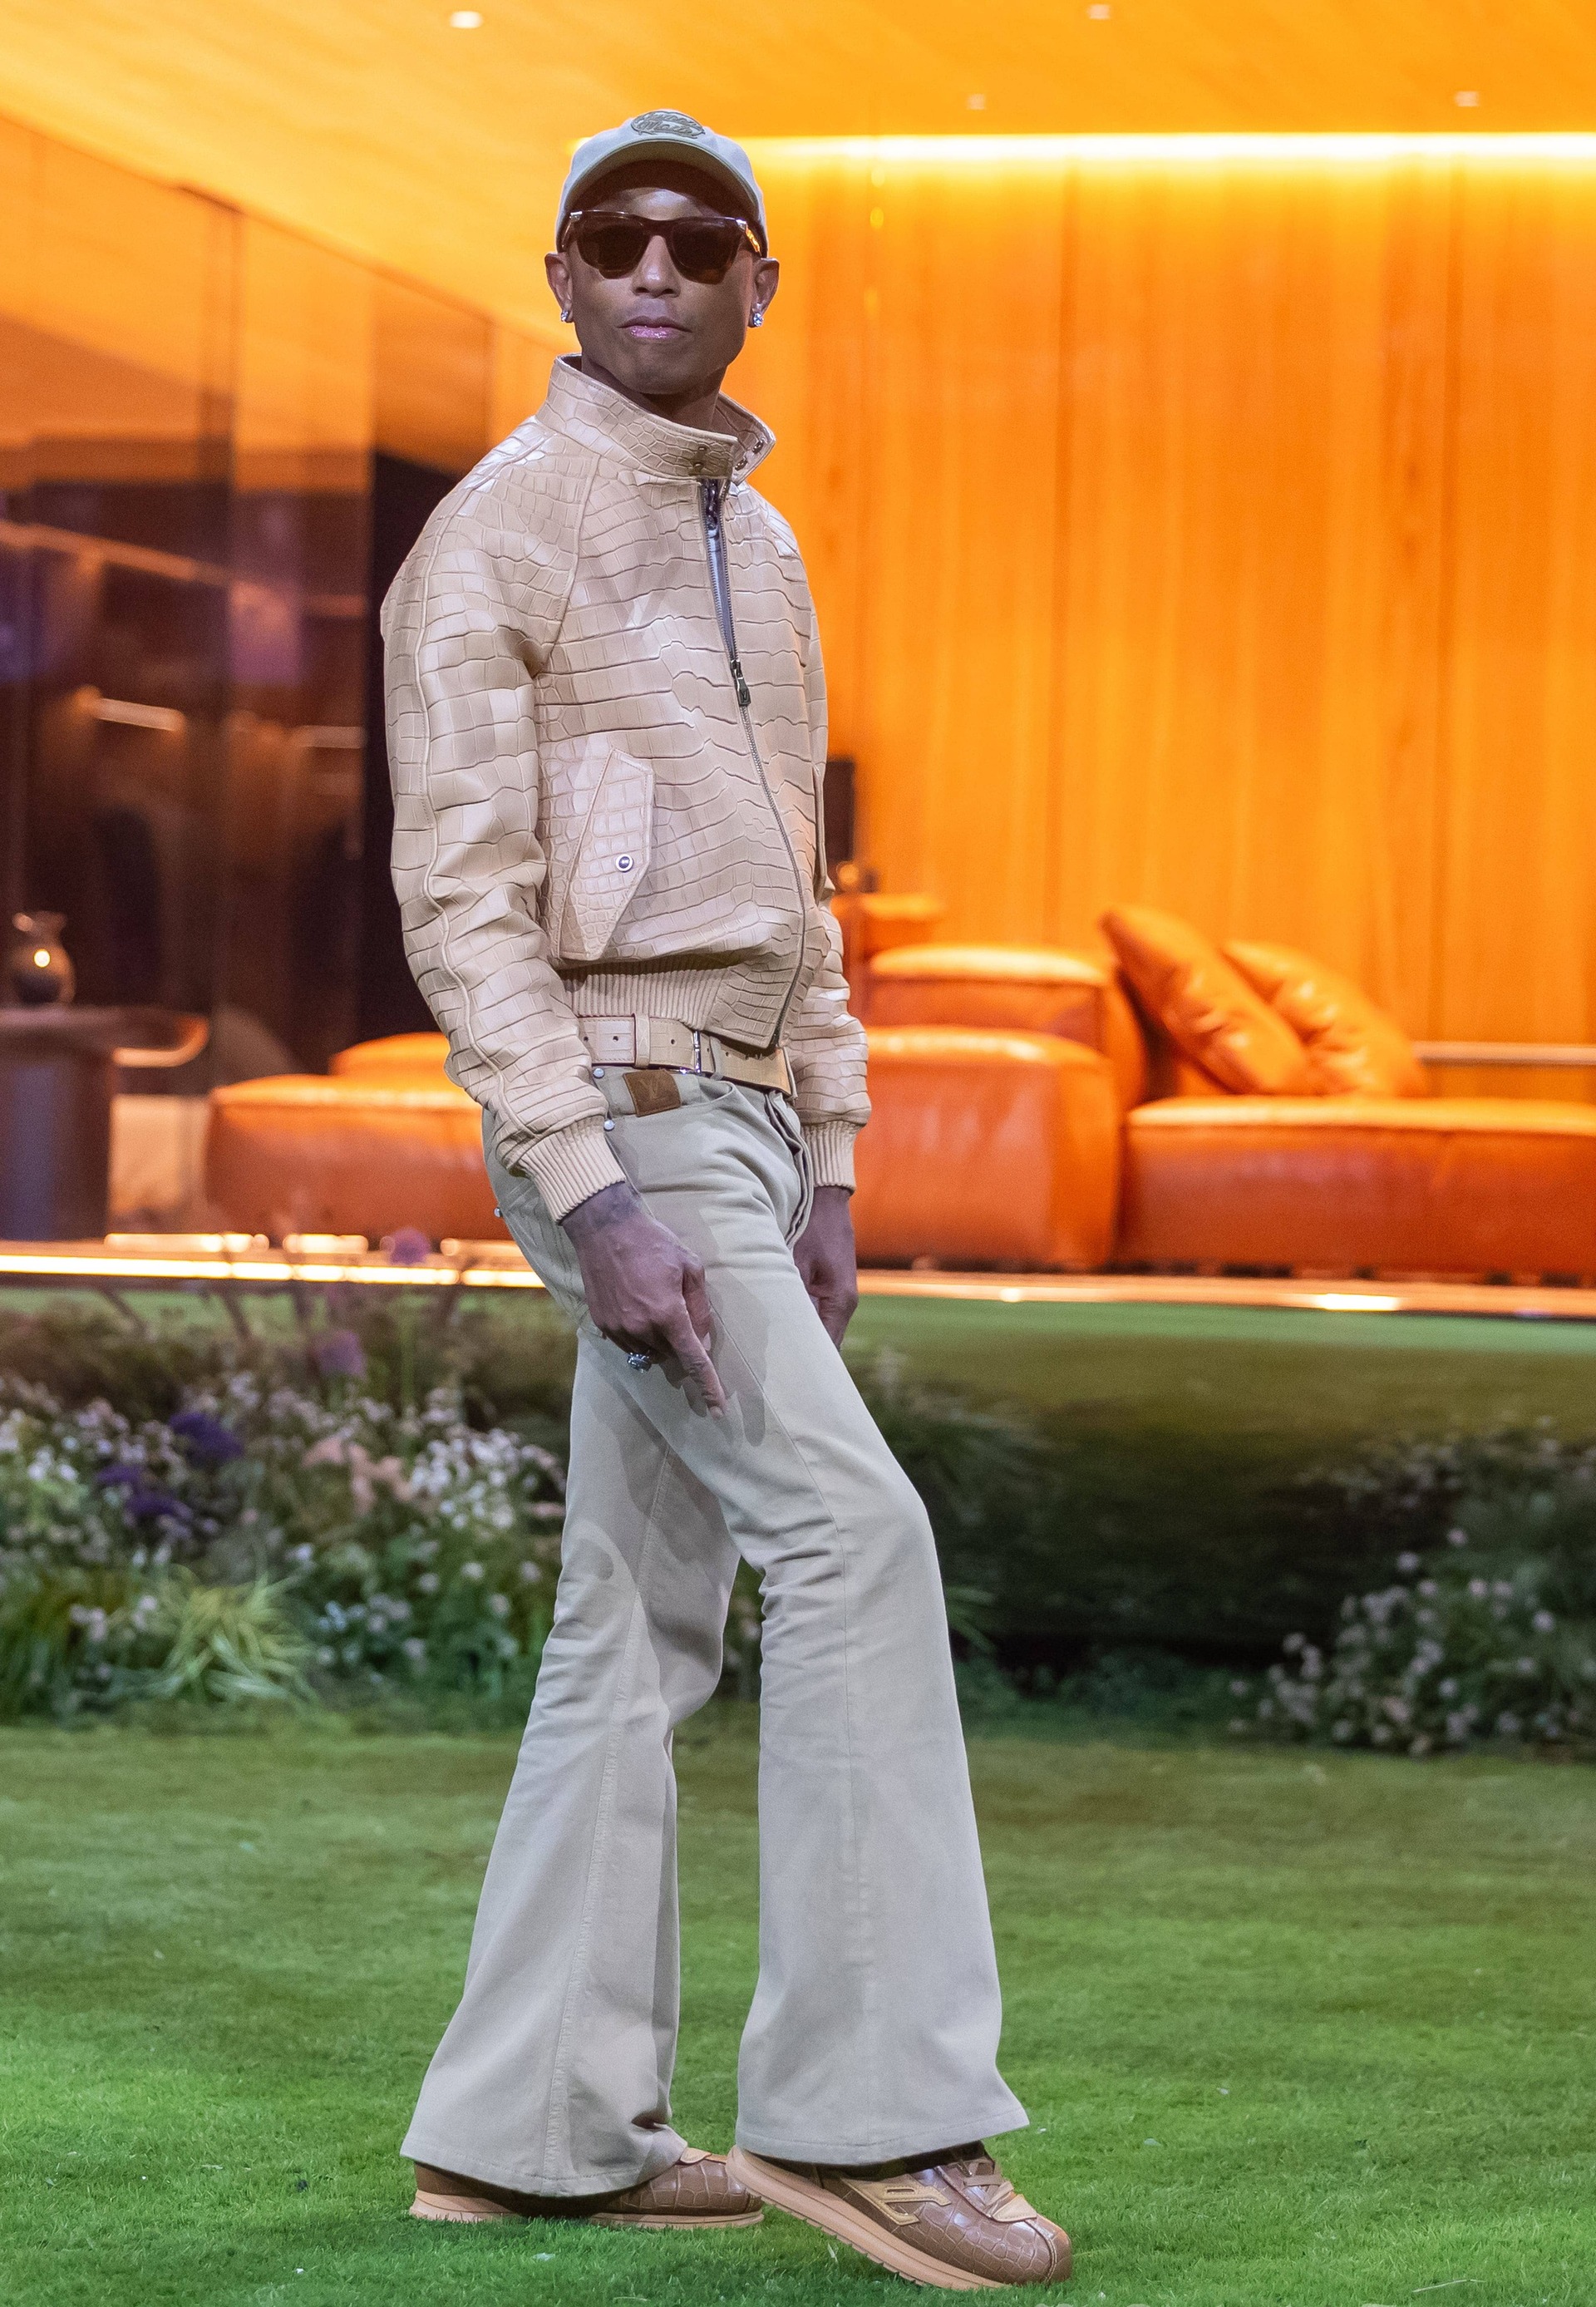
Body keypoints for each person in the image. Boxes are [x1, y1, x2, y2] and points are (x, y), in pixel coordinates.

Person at [382, 110, 1071, 2290]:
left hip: (746, 1123)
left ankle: (531, 2131)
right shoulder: (492, 539)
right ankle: (876, 2123)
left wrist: (833, 1155)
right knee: (857, 1544)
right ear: (563, 280)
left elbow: (798, 891)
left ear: (761, 282)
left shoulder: (756, 544)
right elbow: (462, 911)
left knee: (634, 1626)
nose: (660, 269)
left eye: (705, 240)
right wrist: (590, 1191)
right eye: (618, 238)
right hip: (624, 1111)